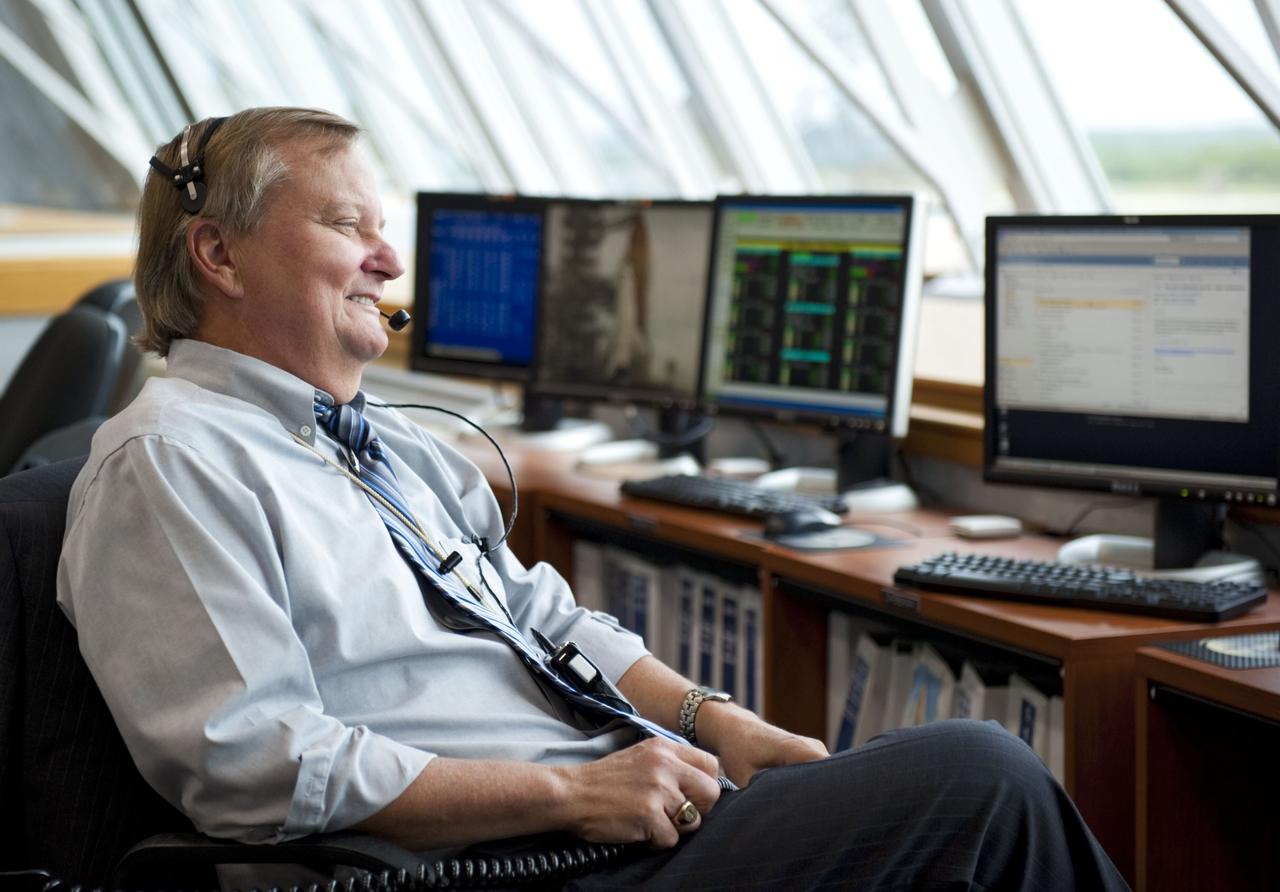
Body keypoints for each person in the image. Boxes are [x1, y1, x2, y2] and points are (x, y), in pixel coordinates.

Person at [57, 107, 1128, 890]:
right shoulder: (169, 464)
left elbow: (542, 617)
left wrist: (720, 721)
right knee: (976, 777)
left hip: (615, 809)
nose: (388, 257)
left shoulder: (383, 444)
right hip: (507, 860)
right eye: (348, 227)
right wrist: (574, 795)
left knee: (922, 782)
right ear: (216, 254)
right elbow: (258, 766)